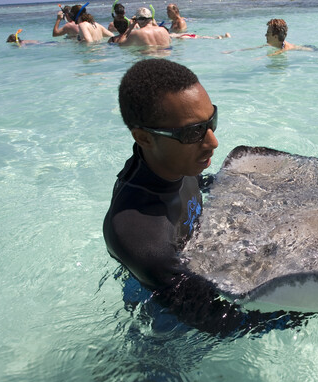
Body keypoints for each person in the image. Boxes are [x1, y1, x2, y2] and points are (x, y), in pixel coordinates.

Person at [104, 59, 304, 335]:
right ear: (145, 138)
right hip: (163, 316)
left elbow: (201, 184)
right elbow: (226, 323)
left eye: (212, 122)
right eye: (193, 132)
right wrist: (311, 308)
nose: (212, 142)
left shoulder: (173, 162)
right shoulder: (144, 240)